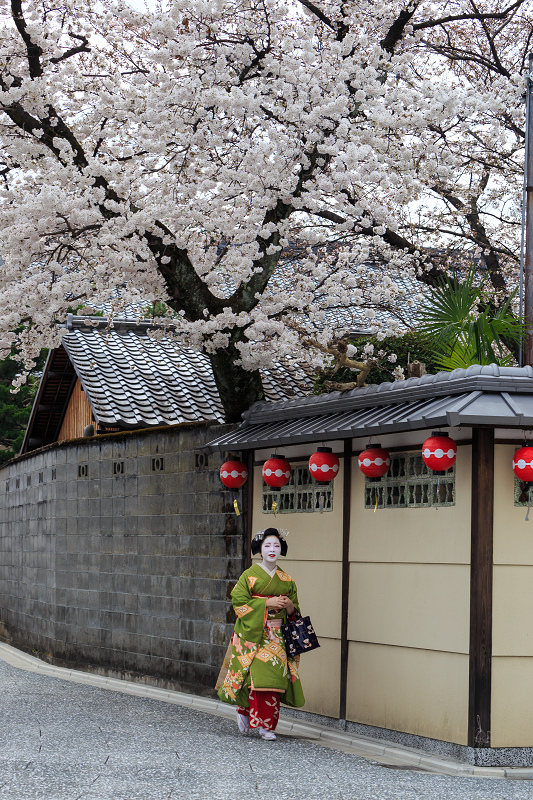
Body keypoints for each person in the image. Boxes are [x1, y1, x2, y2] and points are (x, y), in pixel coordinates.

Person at [217, 527, 305, 740]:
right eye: (267, 545)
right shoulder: (249, 576)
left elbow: (296, 613)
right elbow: (238, 603)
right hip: (254, 634)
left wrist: (290, 606)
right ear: (260, 550)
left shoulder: (287, 580)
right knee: (252, 677)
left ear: (281, 549)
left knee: (273, 681)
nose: (272, 549)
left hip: (277, 636)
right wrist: (266, 603)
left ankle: (267, 726)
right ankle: (245, 711)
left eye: (276, 545)